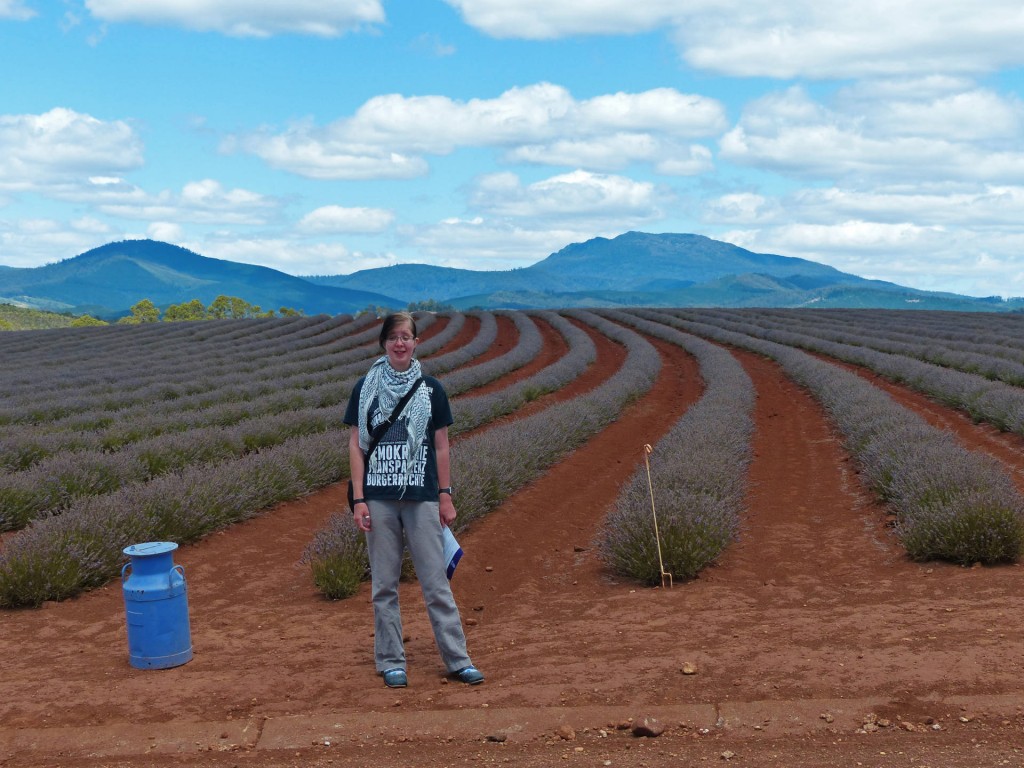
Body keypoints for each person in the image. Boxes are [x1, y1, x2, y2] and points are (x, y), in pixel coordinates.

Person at [344, 311, 484, 689]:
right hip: (378, 497)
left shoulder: (431, 389)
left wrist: (445, 495)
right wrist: (359, 498)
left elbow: (441, 447)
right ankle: (391, 661)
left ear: (416, 342)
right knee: (384, 586)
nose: (400, 343)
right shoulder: (365, 388)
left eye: (406, 336)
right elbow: (357, 446)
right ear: (384, 344)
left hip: (421, 495)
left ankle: (458, 659)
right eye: (393, 338)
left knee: (435, 582)